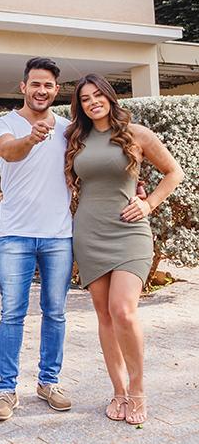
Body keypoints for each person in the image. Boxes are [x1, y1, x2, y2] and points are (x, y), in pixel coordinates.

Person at [66, 73, 182, 425]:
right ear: (81, 106)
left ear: (110, 96)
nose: (93, 102)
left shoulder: (136, 134)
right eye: (85, 99)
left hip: (130, 232)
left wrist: (149, 205)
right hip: (88, 232)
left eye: (98, 95)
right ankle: (118, 391)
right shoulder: (76, 138)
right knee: (103, 314)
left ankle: (138, 390)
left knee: (123, 311)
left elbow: (173, 172)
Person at [0, 57, 74, 422]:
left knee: (56, 312)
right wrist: (31, 138)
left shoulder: (70, 129)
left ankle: (48, 382)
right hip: (16, 236)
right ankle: (6, 390)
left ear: (56, 90)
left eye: (48, 85)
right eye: (35, 84)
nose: (41, 90)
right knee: (12, 314)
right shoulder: (2, 124)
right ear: (23, 87)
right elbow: (8, 151)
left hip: (59, 235)